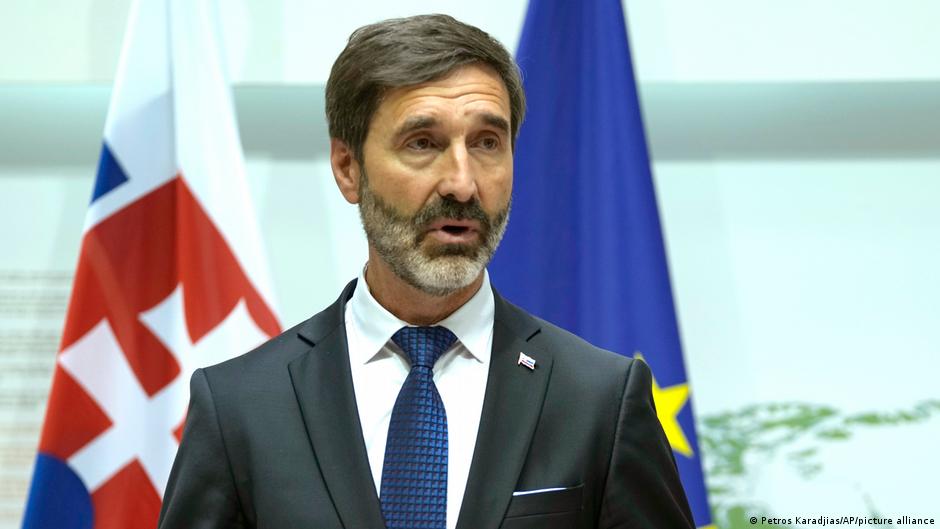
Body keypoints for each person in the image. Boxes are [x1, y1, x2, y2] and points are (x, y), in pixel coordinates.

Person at [158, 14, 694, 529]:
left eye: (487, 143)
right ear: (348, 168)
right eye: (423, 143)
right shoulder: (240, 406)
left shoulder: (601, 399)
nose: (462, 183)